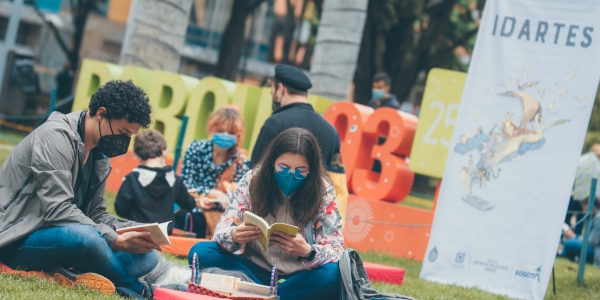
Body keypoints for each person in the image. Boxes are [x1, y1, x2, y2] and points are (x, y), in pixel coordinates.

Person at [0, 80, 158, 299]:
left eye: (129, 136)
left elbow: (96, 214)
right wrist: (113, 239)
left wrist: (137, 230)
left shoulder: (100, 153)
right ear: (101, 113)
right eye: (122, 132)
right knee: (89, 238)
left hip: (66, 239)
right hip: (17, 238)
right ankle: (132, 286)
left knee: (148, 256)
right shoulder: (54, 138)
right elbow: (57, 210)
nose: (124, 142)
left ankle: (74, 274)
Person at [189, 128, 344, 300]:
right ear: (272, 162)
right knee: (200, 252)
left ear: (312, 170)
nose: (291, 175)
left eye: (300, 171)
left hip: (298, 276)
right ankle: (276, 295)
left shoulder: (323, 191)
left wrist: (309, 252)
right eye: (283, 168)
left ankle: (263, 294)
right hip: (251, 268)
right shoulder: (253, 180)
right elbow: (220, 233)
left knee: (335, 274)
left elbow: (335, 250)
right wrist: (234, 236)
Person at [251, 64, 348, 225]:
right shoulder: (331, 130)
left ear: (280, 89)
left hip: (269, 215)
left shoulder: (274, 123)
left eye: (272, 91)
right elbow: (336, 181)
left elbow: (255, 172)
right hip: (312, 218)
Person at [180, 105, 250, 237]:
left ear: (238, 136)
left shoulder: (242, 163)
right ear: (211, 128)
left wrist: (215, 205)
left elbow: (238, 202)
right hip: (191, 207)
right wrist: (213, 193)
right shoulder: (195, 150)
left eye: (230, 133)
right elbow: (184, 186)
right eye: (221, 130)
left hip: (220, 217)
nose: (225, 136)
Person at [115, 129, 200, 235]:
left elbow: (121, 209)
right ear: (165, 152)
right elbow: (189, 204)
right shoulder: (175, 180)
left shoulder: (131, 179)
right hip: (164, 235)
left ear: (137, 156)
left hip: (136, 233)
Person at [561, 197, 600, 266]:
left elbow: (593, 242)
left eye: (585, 209)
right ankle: (565, 257)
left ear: (594, 208)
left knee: (568, 242)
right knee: (571, 241)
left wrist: (574, 236)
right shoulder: (595, 218)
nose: (583, 212)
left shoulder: (598, 220)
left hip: (596, 253)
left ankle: (563, 256)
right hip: (593, 248)